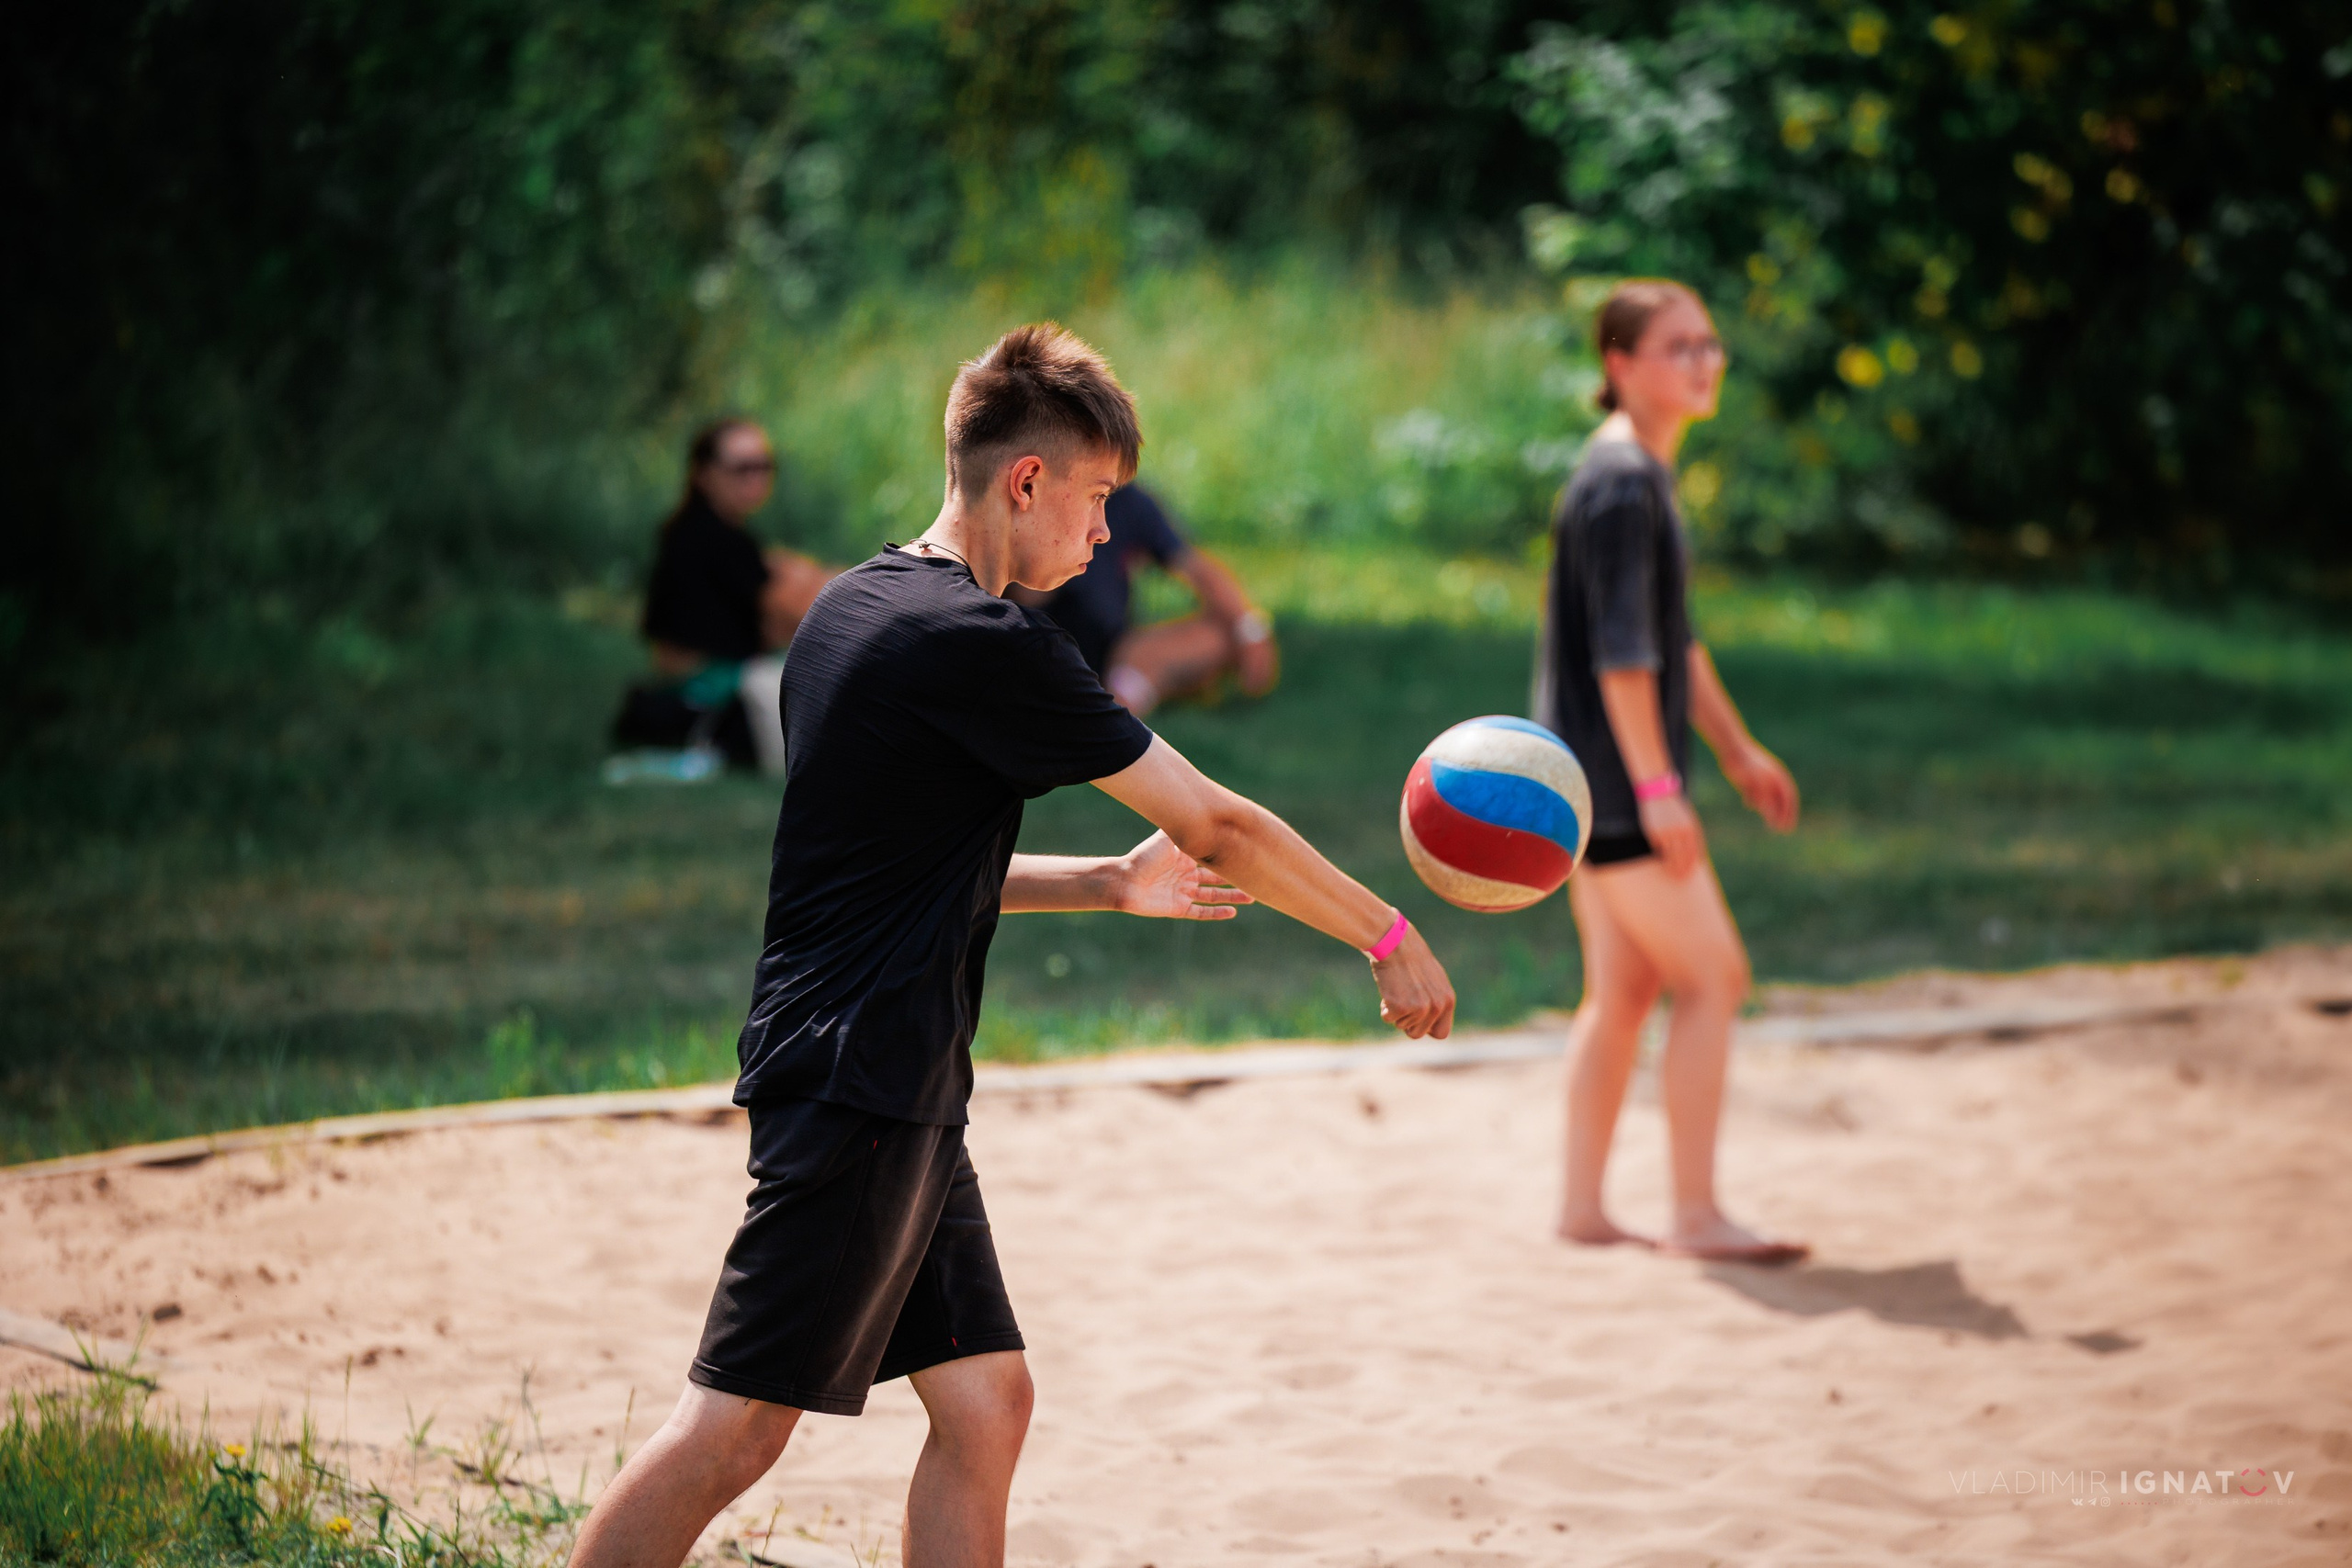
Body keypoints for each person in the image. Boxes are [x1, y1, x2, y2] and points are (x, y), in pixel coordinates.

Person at [569, 324, 1455, 1568]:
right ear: (1024, 480)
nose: (1104, 537)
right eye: (1096, 501)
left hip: (877, 1071)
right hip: (860, 1080)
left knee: (987, 1400)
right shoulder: (981, 646)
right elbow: (1218, 821)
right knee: (733, 1429)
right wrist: (1387, 930)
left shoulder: (854, 605)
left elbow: (902, 866)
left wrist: (1104, 881)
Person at [1535, 280, 1807, 1264]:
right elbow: (1622, 660)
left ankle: (1581, 1209)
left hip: (1582, 789)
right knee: (1714, 978)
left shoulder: (1635, 472)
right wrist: (1658, 791)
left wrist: (1733, 751)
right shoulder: (1622, 483)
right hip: (1612, 791)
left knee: (1627, 990)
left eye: (1709, 343)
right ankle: (1694, 1215)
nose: (1703, 361)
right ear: (1619, 365)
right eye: (1677, 345)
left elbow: (1670, 643)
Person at [616, 419, 837, 774]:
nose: (756, 477)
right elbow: (807, 611)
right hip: (710, 694)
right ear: (704, 475)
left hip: (715, 685)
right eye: (742, 468)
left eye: (764, 466)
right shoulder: (713, 537)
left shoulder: (703, 531)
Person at [1015, 483, 1279, 716]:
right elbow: (1027, 597)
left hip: (1115, 644)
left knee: (1217, 635)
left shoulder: (1129, 501)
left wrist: (1249, 630)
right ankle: (1109, 710)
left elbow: (1195, 567)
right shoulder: (1041, 497)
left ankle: (1120, 702)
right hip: (1048, 643)